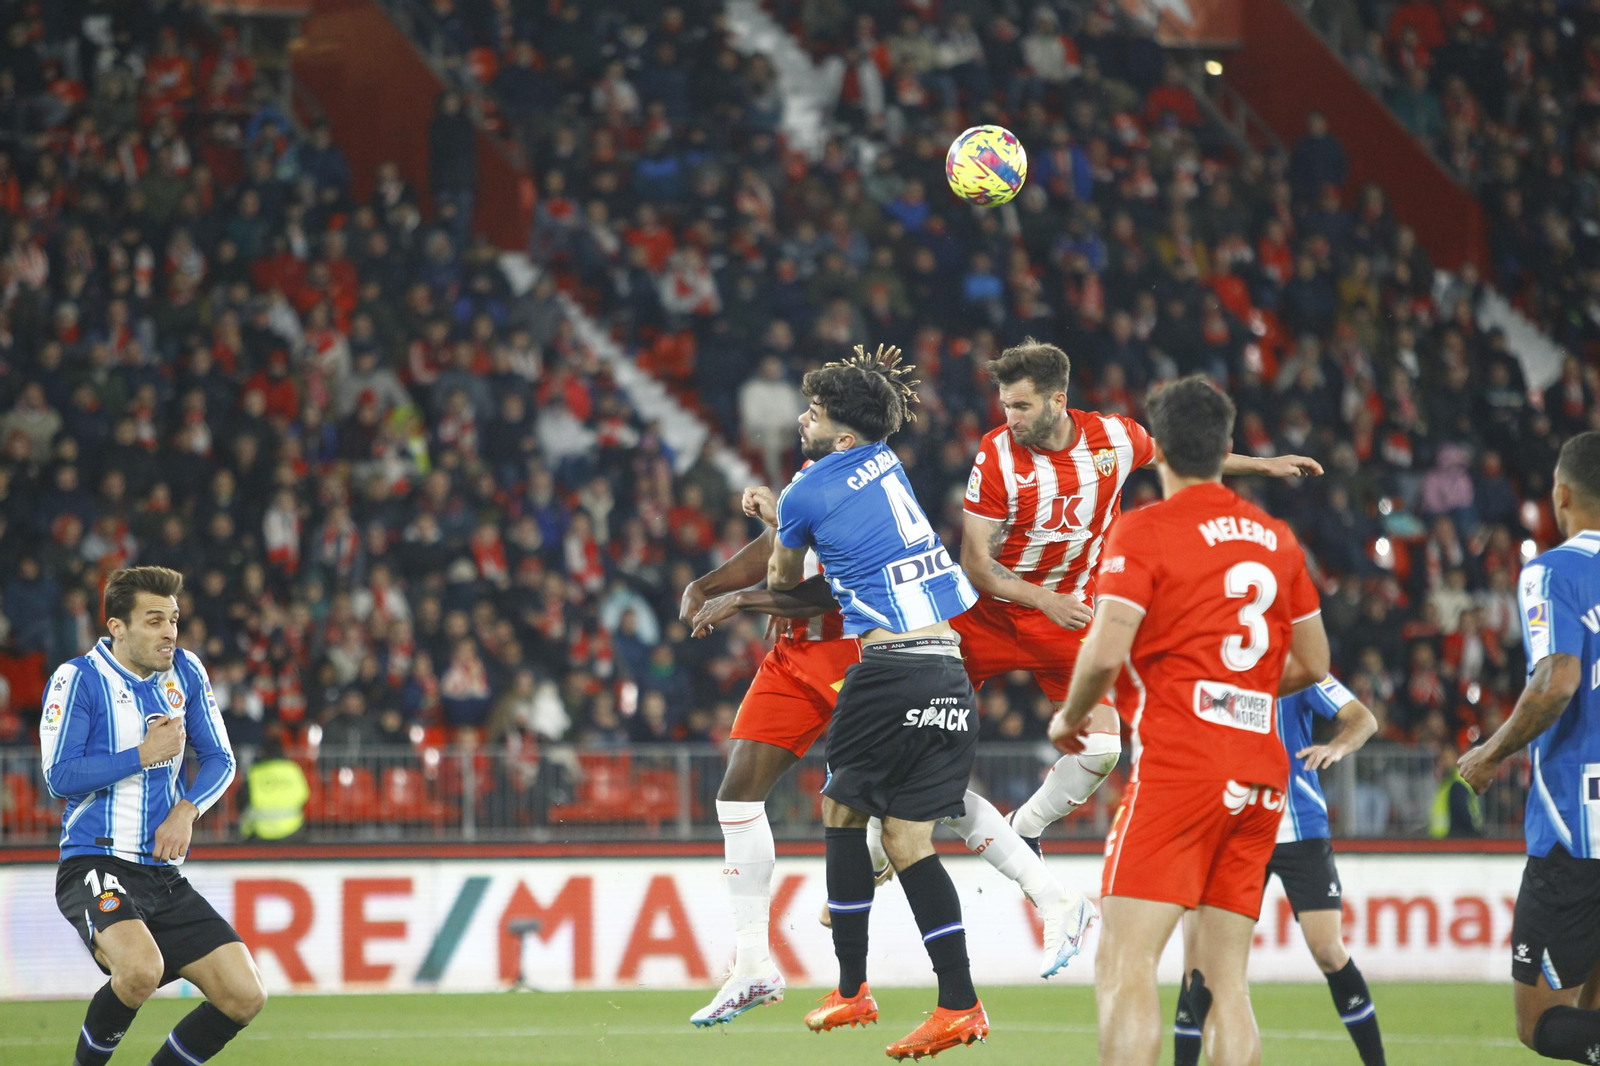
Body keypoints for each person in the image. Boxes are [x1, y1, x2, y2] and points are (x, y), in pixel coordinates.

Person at [1050, 377, 1328, 1066]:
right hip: (1262, 774)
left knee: (1125, 961)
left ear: (1160, 451)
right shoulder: (1275, 537)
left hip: (1182, 767)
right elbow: (1315, 661)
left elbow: (1106, 647)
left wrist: (1071, 716)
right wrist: (1247, 687)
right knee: (1224, 981)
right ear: (1228, 447)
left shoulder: (1144, 530)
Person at [957, 339, 1320, 859]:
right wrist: (1044, 599)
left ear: (1058, 402)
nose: (1008, 417)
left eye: (1020, 406)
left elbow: (1181, 456)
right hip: (985, 615)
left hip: (1066, 617)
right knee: (923, 732)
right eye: (1005, 405)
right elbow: (976, 563)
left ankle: (1025, 826)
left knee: (1103, 751)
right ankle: (880, 852)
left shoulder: (1113, 438)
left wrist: (1265, 466)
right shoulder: (995, 455)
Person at [755, 344, 989, 1058]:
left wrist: (777, 517)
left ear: (843, 435)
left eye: (816, 413)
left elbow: (786, 579)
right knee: (908, 841)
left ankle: (852, 989)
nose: (803, 420)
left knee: (840, 809)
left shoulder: (806, 489)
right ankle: (960, 1004)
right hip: (948, 670)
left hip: (888, 668)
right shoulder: (887, 461)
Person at [41, 566, 266, 1066]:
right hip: (95, 862)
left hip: (161, 875)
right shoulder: (78, 679)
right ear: (117, 627)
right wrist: (143, 754)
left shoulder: (185, 671)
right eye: (154, 620)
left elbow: (221, 760)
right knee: (141, 969)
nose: (169, 632)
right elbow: (60, 776)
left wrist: (186, 811)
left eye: (174, 619)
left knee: (244, 994)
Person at [1458, 431, 1600, 1063]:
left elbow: (1558, 679)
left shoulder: (1551, 571)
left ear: (1561, 493)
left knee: (1540, 1023)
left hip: (1578, 829)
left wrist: (1490, 752)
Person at [1173, 675, 1386, 1066]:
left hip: (1299, 828)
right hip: (1231, 831)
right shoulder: (1211, 663)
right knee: (1201, 967)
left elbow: (1363, 719)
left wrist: (1337, 747)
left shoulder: (1297, 664)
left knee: (1327, 949)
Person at [240, 735, 310, 842]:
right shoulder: (292, 769)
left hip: (260, 834)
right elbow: (304, 794)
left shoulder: (255, 772)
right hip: (292, 831)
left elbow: (241, 800)